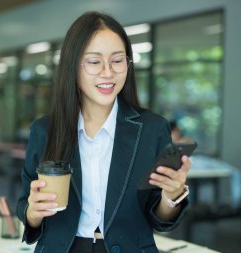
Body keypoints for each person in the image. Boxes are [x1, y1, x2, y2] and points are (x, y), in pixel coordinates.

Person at [16, 12, 191, 253]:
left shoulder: (152, 129)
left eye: (117, 60)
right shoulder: (45, 131)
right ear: (73, 66)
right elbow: (26, 205)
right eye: (94, 61)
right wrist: (32, 212)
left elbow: (159, 218)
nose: (108, 72)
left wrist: (172, 196)